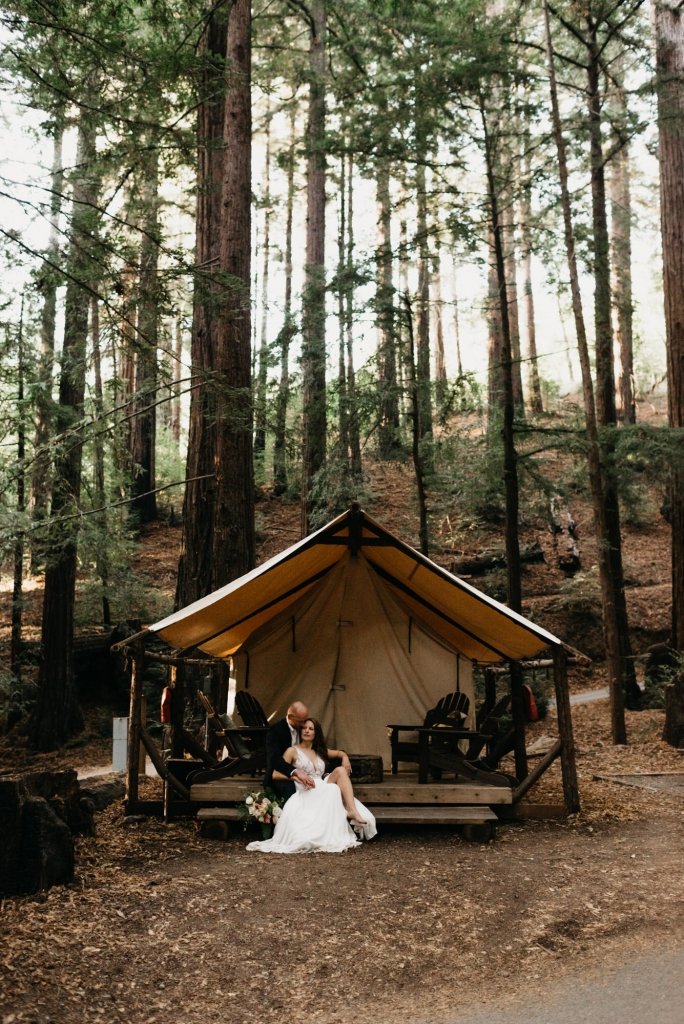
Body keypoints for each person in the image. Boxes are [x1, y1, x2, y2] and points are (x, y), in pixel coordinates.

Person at [247, 718, 377, 854]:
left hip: (320, 785)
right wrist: (297, 776)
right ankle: (340, 817)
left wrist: (345, 757)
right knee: (333, 789)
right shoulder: (292, 751)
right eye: (304, 728)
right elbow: (275, 774)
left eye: (311, 729)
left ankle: (351, 810)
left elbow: (339, 753)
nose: (307, 731)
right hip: (305, 789)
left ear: (316, 733)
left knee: (340, 771)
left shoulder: (319, 751)